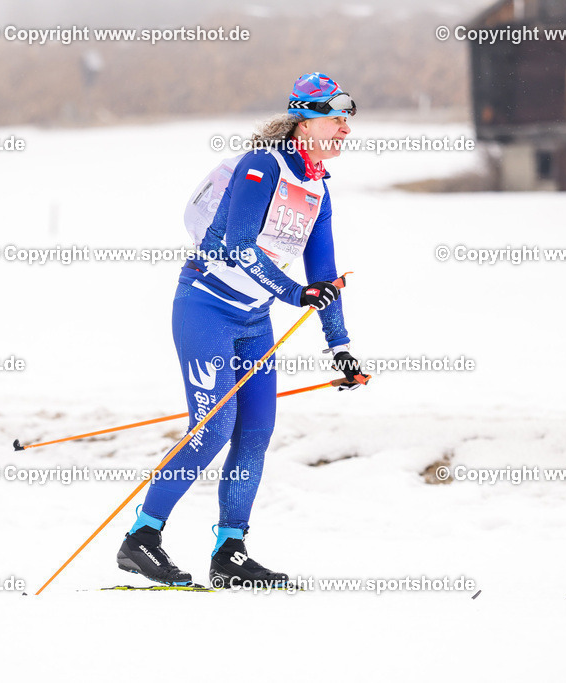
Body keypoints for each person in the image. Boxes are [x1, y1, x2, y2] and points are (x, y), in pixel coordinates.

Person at [117, 72, 367, 588]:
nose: (345, 129)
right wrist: (294, 294)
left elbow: (324, 274)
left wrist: (339, 346)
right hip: (205, 307)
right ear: (306, 121)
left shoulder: (316, 183)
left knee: (255, 431)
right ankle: (141, 539)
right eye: (337, 119)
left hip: (253, 320)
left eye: (347, 120)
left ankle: (229, 552)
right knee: (214, 427)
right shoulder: (262, 165)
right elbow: (237, 244)